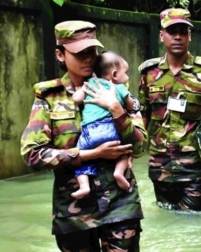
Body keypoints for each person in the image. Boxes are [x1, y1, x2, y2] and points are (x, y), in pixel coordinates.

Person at [20, 21, 147, 251]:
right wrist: (90, 154)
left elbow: (139, 147)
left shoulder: (115, 87)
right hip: (73, 210)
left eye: (91, 51)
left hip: (121, 204)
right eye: (79, 53)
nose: (88, 58)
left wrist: (118, 112)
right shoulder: (50, 98)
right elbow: (33, 154)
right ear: (60, 54)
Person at [137, 8, 201, 211]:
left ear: (190, 36)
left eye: (183, 31)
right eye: (171, 31)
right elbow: (143, 115)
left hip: (195, 166)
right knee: (167, 219)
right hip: (160, 165)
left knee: (193, 222)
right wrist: (132, 153)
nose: (177, 37)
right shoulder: (149, 73)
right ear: (161, 35)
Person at [71, 51, 141, 199]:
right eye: (126, 73)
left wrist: (79, 91)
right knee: (125, 150)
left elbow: (76, 99)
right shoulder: (118, 86)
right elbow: (131, 105)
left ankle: (83, 186)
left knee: (80, 157)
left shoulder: (89, 83)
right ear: (114, 74)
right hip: (110, 128)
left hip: (89, 131)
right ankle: (119, 172)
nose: (127, 77)